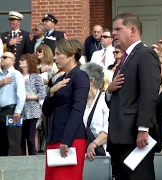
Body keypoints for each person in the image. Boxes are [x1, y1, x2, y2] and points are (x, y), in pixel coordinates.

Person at [106, 13, 160, 180]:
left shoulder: (145, 54)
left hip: (135, 138)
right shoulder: (123, 61)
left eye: (118, 29)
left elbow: (149, 93)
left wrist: (143, 128)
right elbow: (116, 100)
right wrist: (109, 91)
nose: (113, 33)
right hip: (118, 138)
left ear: (133, 30)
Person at [42, 39, 90, 180]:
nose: (55, 58)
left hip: (71, 139)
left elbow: (78, 109)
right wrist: (51, 92)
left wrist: (67, 139)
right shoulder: (59, 80)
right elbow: (46, 111)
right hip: (54, 138)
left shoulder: (80, 76)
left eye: (58, 54)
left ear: (71, 55)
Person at [80, 63, 109, 160]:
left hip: (102, 153)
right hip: (82, 153)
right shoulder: (79, 102)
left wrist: (93, 144)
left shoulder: (105, 100)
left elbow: (108, 129)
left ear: (91, 81)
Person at [19, 54, 46, 155]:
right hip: (20, 111)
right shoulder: (17, 75)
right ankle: (21, 160)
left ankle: (32, 160)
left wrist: (30, 97)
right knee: (21, 138)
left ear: (28, 62)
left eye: (23, 60)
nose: (20, 61)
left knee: (30, 137)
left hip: (32, 110)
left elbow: (42, 93)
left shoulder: (35, 77)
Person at [0, 52, 26, 156]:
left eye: (5, 57)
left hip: (11, 110)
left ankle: (15, 169)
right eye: (1, 57)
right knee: (1, 142)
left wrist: (17, 111)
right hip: (0, 111)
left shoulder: (16, 74)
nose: (2, 59)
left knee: (13, 141)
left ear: (12, 60)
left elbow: (21, 94)